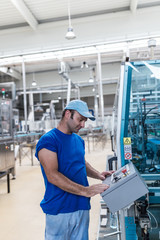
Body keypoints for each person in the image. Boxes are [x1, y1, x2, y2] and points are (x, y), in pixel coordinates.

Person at [35, 99, 112, 240]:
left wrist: (99, 175)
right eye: (80, 119)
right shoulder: (49, 141)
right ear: (67, 114)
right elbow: (52, 175)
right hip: (60, 209)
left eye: (85, 121)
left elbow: (81, 162)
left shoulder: (78, 140)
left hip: (82, 205)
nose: (83, 125)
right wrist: (86, 190)